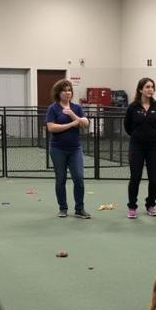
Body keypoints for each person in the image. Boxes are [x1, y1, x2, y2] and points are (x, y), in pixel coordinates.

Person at [46, 79, 91, 218]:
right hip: (57, 149)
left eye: (69, 90)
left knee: (79, 178)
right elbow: (51, 127)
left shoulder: (76, 108)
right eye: (64, 90)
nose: (67, 93)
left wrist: (72, 115)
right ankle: (63, 208)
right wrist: (71, 124)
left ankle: (79, 209)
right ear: (58, 93)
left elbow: (85, 123)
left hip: (75, 149)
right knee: (61, 179)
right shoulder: (53, 108)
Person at [124, 77, 156, 218]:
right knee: (135, 177)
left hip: (154, 147)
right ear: (140, 89)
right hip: (137, 147)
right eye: (147, 87)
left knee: (154, 179)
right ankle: (132, 207)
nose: (150, 89)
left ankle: (151, 204)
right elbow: (128, 127)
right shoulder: (132, 107)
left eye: (152, 87)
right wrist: (138, 136)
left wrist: (153, 136)